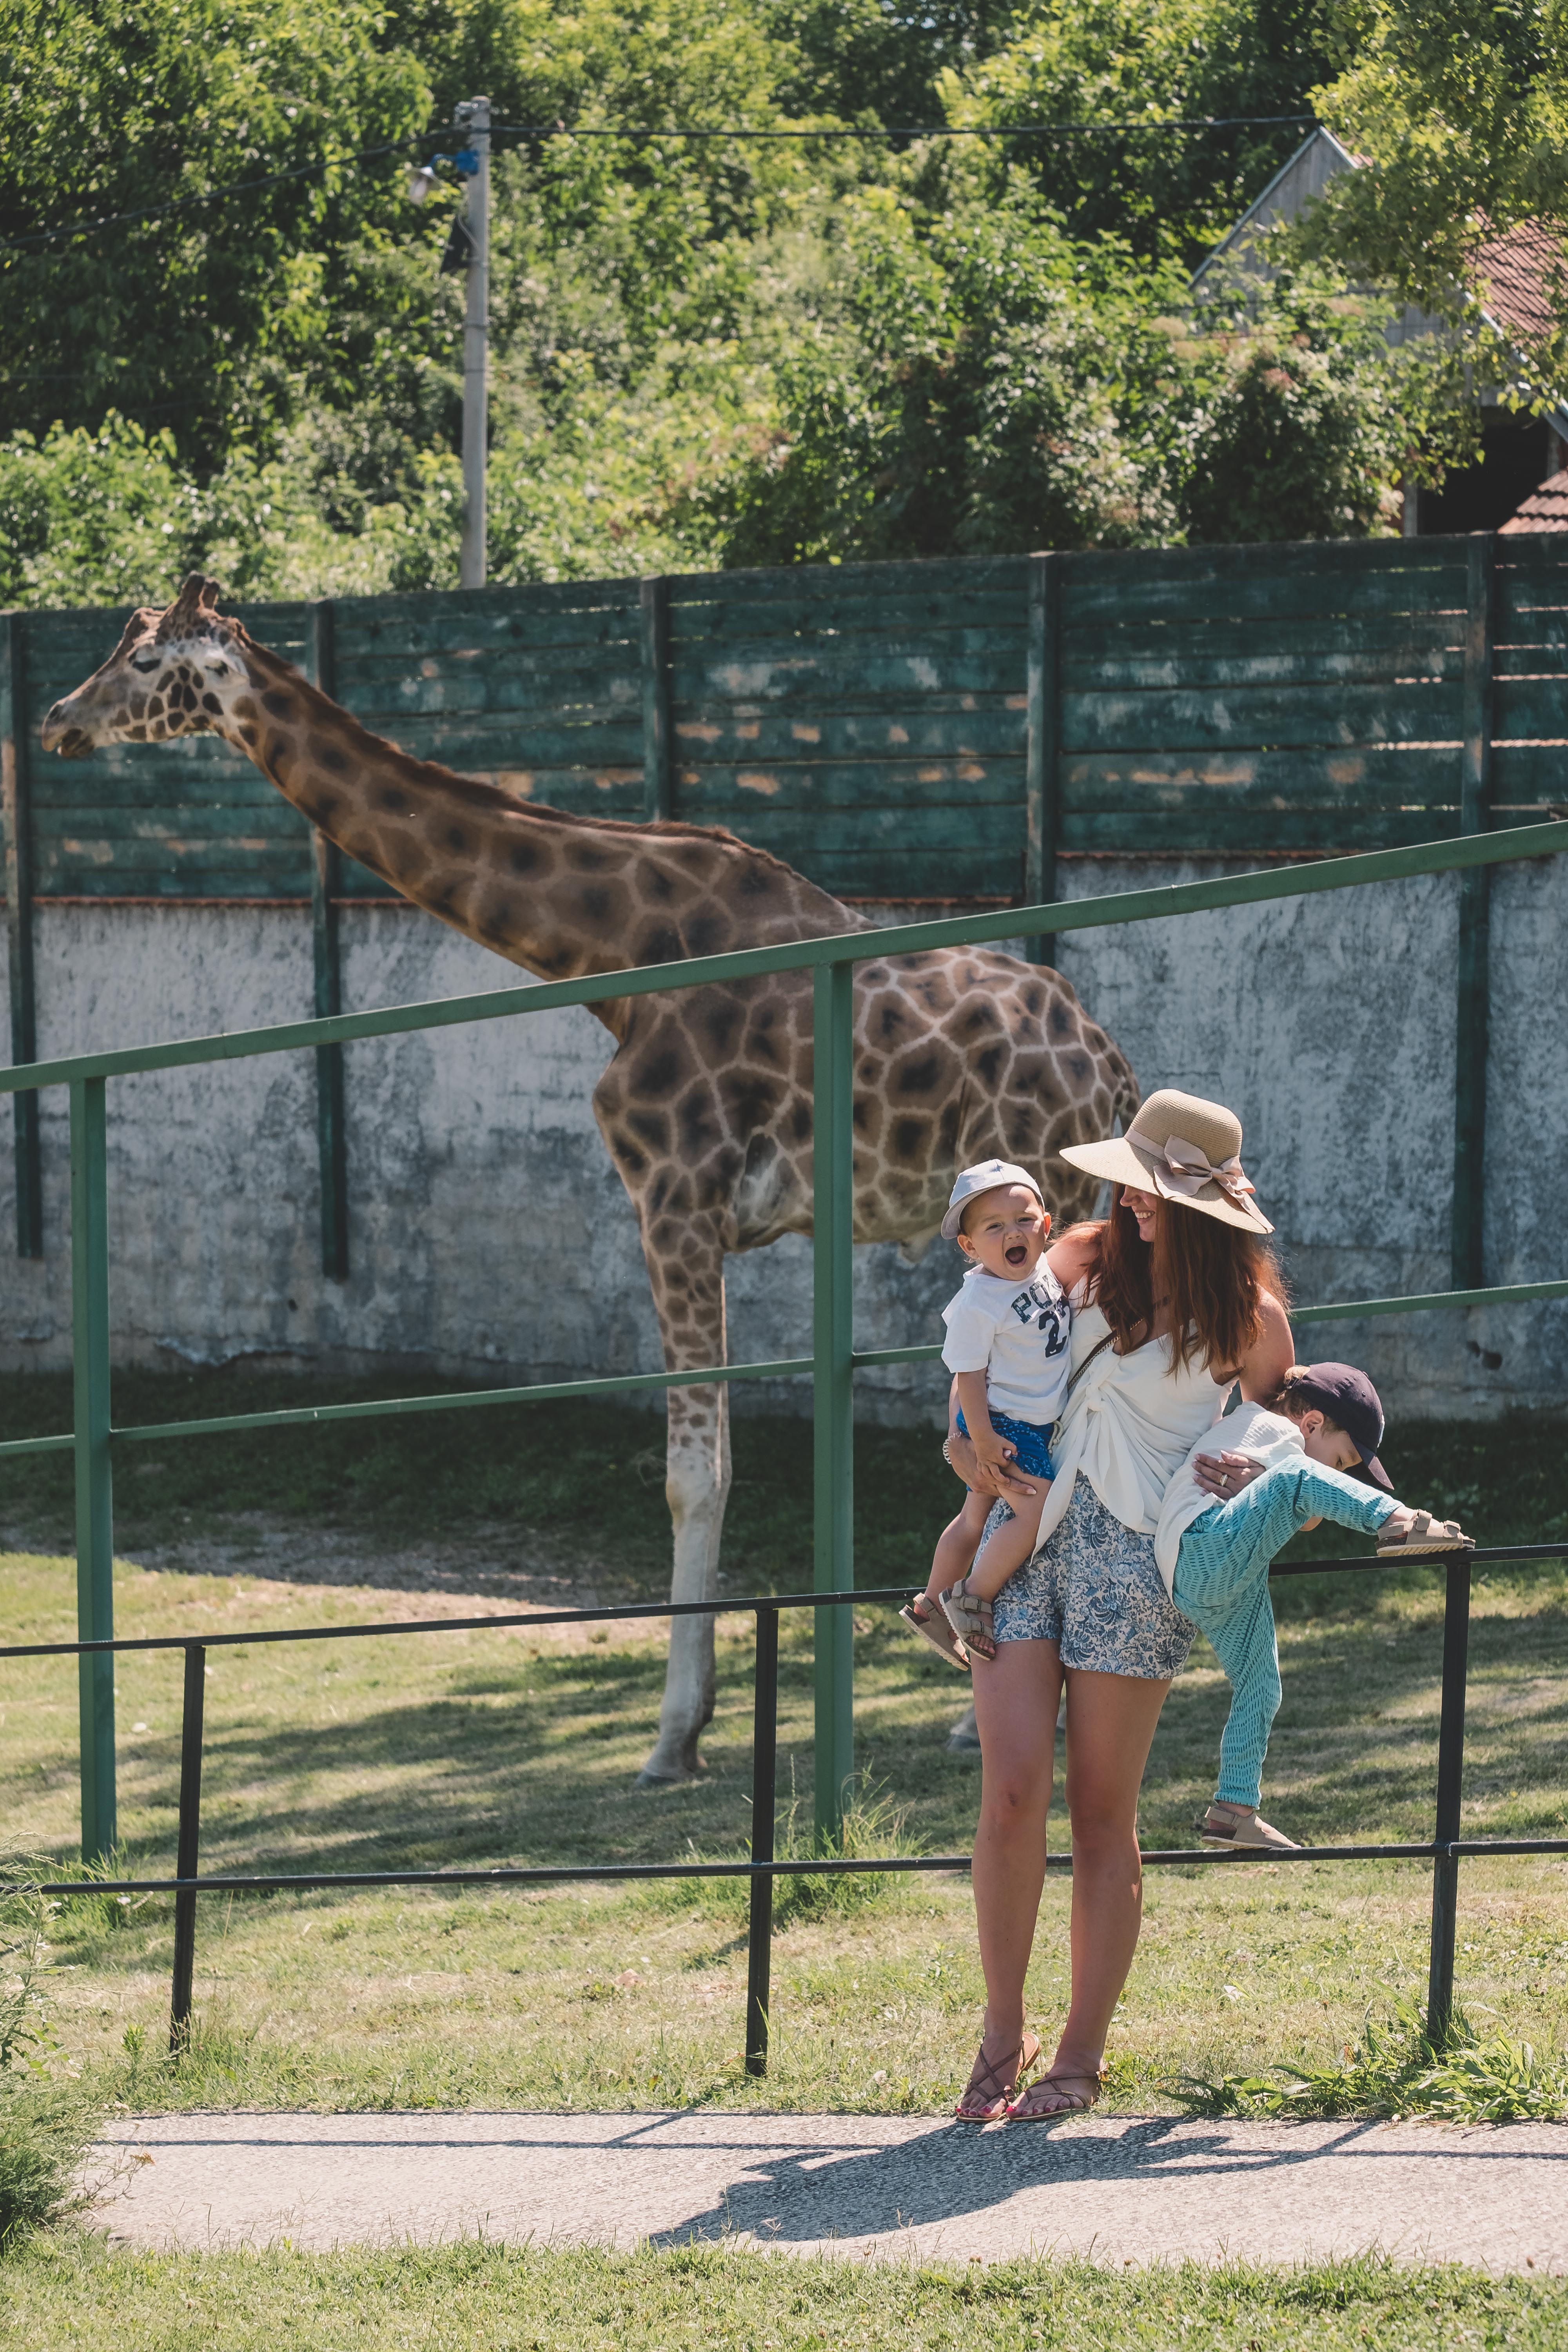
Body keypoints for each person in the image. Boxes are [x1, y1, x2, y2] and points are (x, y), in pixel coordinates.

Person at [943, 1088, 1294, 2125]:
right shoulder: (1081, 1258)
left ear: (1208, 1210)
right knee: (1009, 1795)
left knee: (1103, 1812)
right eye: (1133, 1186)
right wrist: (964, 1451)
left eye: (1157, 1195)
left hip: (1136, 1563)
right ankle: (1002, 2034)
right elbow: (995, 1356)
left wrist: (1247, 1481)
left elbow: (1284, 1434)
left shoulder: (1252, 1320)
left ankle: (1081, 2057)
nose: (1135, 1206)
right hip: (1030, 1535)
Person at [1156, 1362, 1474, 1853]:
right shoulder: (1274, 1428)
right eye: (1342, 1460)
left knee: (1260, 1684)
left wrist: (1272, 1479)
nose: (1338, 1473)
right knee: (1295, 1479)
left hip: (1201, 1575)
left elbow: (1299, 1497)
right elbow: (1300, 1487)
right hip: (1205, 1547)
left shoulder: (1272, 1444)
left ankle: (1232, 1811)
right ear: (1311, 1425)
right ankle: (1396, 1522)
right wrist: (1283, 1479)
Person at [899, 1161, 1071, 1672]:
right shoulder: (978, 1300)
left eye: (1022, 1220)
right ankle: (972, 1597)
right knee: (1038, 1513)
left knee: (973, 1518)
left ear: (1045, 1226)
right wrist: (983, 1439)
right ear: (970, 1246)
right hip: (1010, 1429)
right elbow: (968, 1375)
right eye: (993, 1227)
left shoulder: (1041, 1268)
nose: (1011, 1233)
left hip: (1029, 1424)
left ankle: (929, 1604)